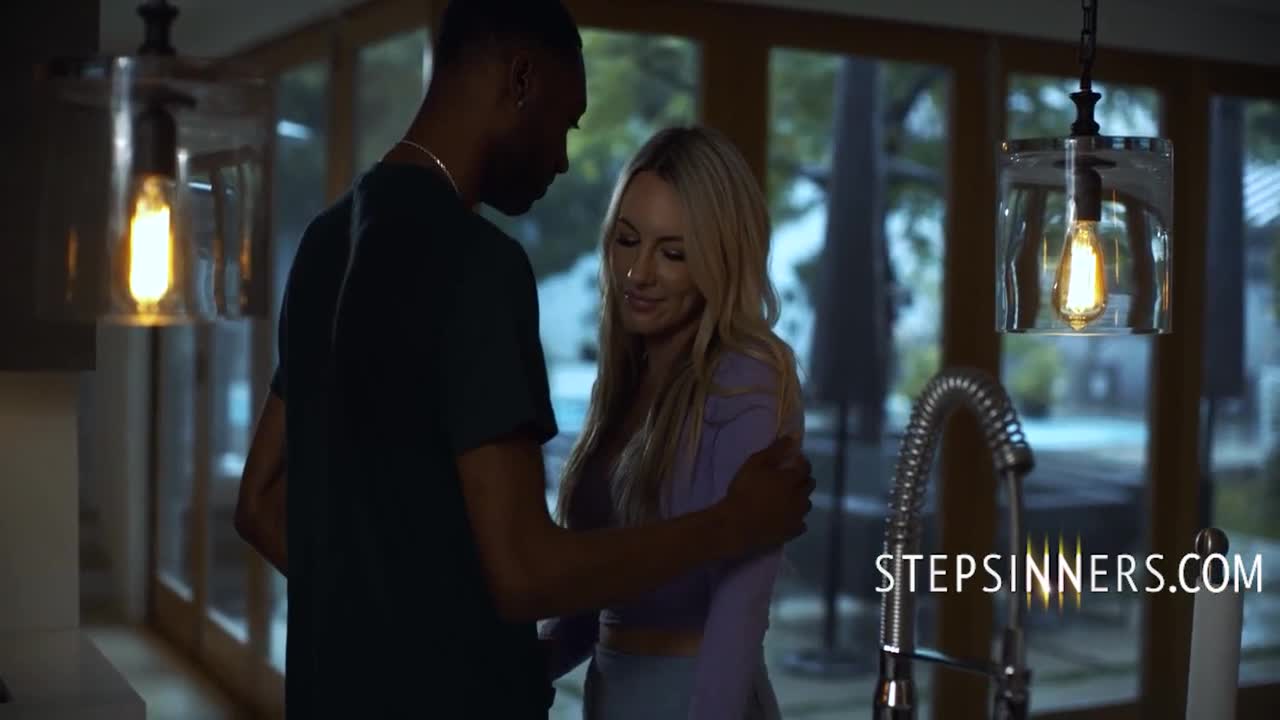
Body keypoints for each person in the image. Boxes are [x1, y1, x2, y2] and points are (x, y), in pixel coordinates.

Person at [235, 1, 815, 718]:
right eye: (565, 122)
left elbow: (260, 503)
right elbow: (524, 573)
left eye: (672, 251)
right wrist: (731, 524)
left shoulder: (324, 244)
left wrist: (387, 623)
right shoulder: (479, 265)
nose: (562, 159)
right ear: (520, 80)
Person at [539, 126, 803, 719]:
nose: (638, 273)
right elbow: (598, 602)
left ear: (719, 258)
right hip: (613, 696)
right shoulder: (623, 383)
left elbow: (740, 607)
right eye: (627, 241)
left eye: (673, 253)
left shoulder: (746, 377)